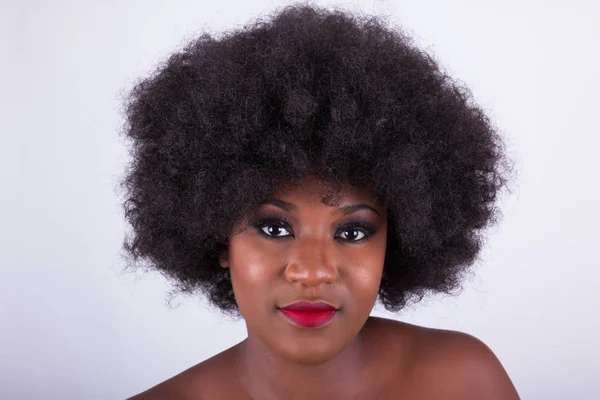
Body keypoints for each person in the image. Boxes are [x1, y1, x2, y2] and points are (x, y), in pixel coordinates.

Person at [120, 3, 519, 399]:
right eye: (275, 228)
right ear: (219, 237)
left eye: (352, 231)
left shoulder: (464, 383)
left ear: (395, 242)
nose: (312, 273)